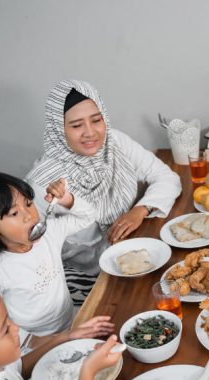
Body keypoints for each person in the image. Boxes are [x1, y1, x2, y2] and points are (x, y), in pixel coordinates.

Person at [26, 79, 182, 278]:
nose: (90, 132)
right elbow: (35, 247)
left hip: (137, 247)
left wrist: (139, 211)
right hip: (86, 274)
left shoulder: (114, 142)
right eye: (76, 125)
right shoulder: (41, 183)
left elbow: (167, 178)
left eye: (97, 120)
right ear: (59, 129)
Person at [0, 172, 98, 347]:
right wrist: (34, 341)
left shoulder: (50, 233)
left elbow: (88, 215)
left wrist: (67, 199)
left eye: (29, 203)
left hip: (72, 318)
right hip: (35, 340)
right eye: (14, 213)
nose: (29, 216)